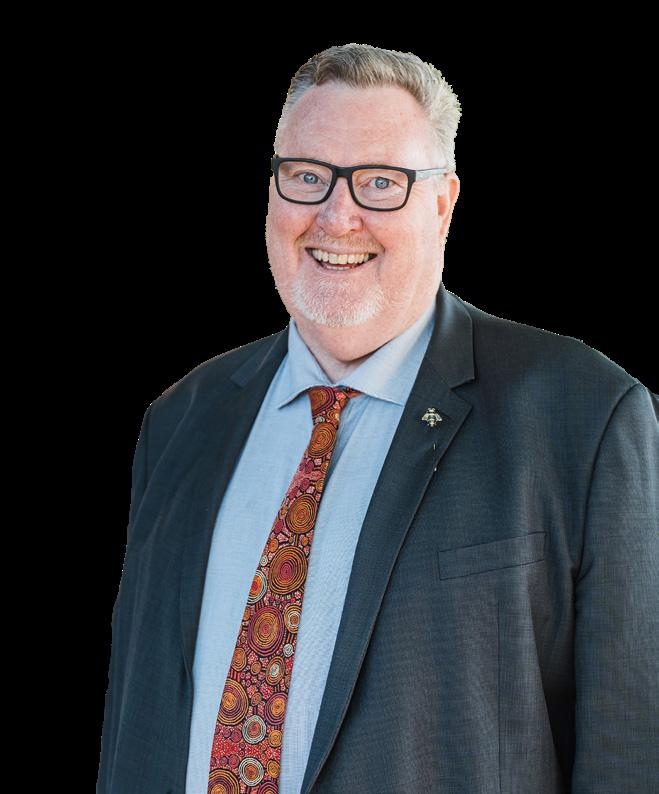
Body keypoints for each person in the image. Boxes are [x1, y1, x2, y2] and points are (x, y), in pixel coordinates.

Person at [97, 44, 659, 794]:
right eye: (307, 176)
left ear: (442, 204)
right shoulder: (182, 418)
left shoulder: (582, 414)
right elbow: (137, 722)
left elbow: (630, 746)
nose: (337, 215)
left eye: (381, 183)